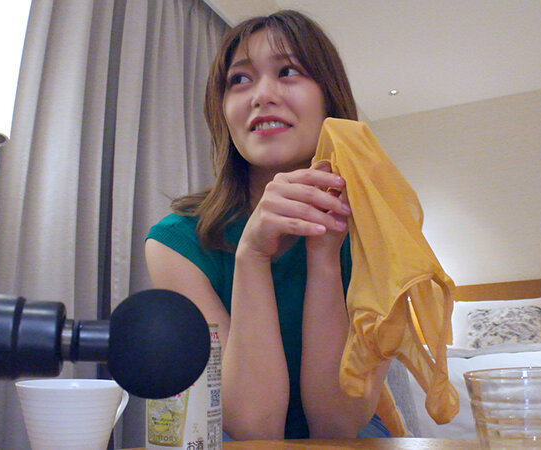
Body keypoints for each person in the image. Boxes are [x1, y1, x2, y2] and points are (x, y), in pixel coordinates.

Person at [145, 10, 391, 440]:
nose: (262, 95)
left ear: (329, 98)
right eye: (240, 79)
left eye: (288, 71)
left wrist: (324, 256)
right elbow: (253, 427)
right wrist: (252, 255)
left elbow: (336, 426)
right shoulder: (176, 243)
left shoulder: (379, 234)